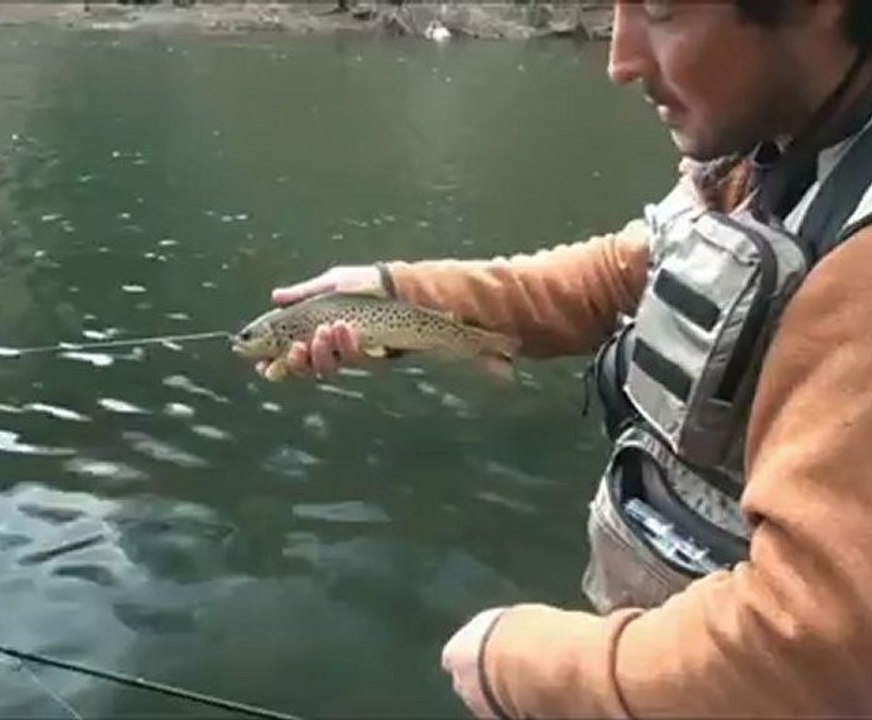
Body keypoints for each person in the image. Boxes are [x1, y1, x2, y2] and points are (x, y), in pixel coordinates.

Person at [254, 1, 872, 716]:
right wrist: (399, 294)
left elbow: (807, 654)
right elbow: (619, 275)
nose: (620, 60)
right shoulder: (766, 153)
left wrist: (511, 662)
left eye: (661, 11)